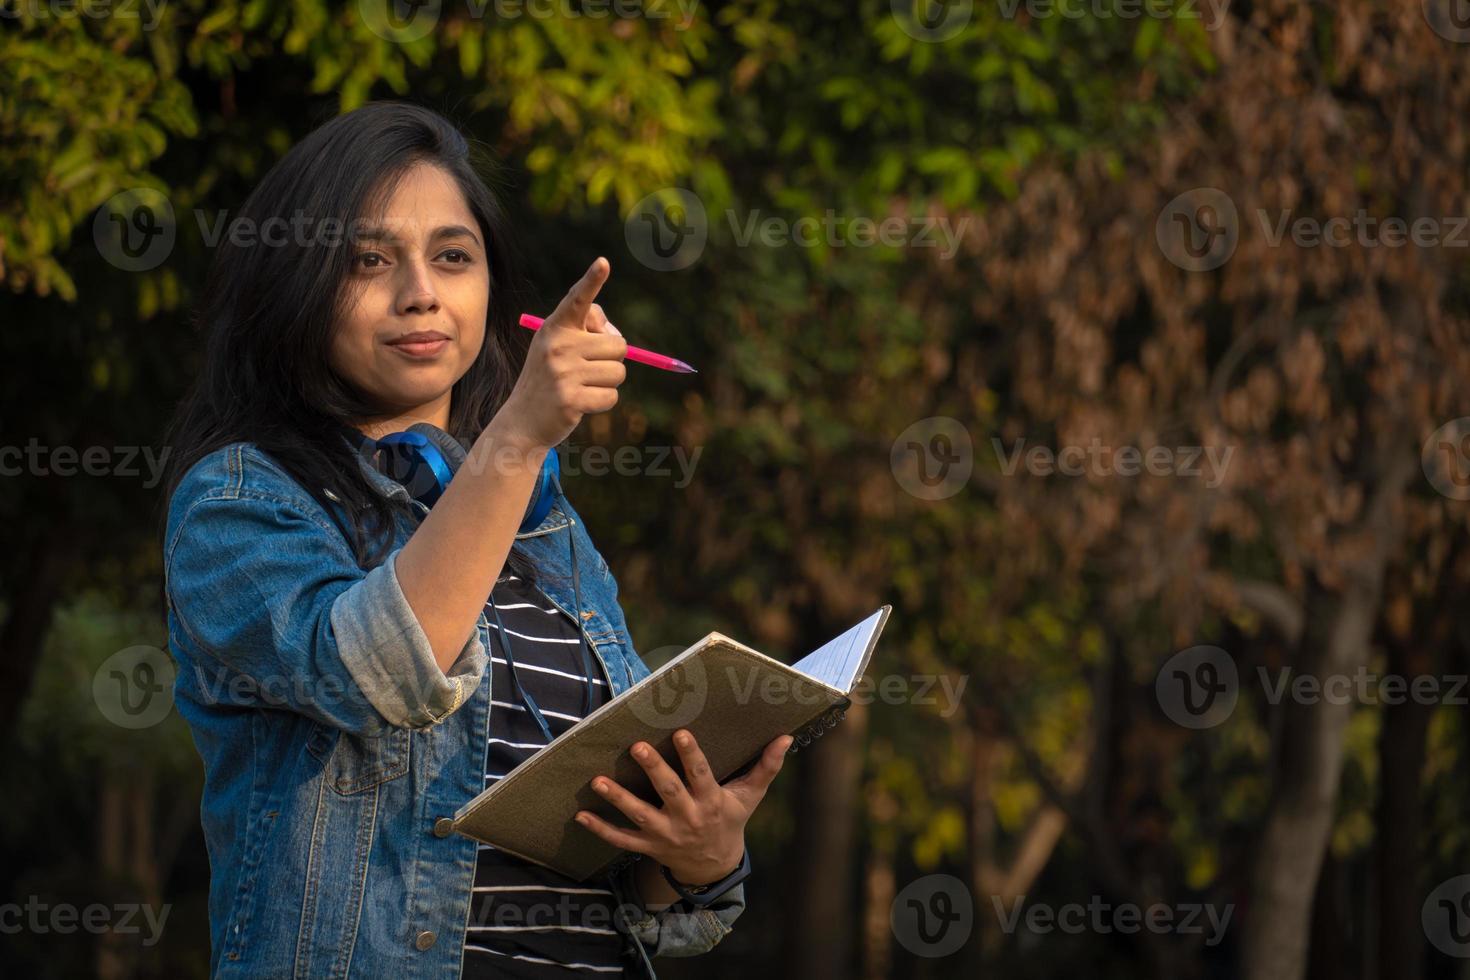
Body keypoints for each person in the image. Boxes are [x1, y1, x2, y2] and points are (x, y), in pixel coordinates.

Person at [158, 101, 791, 978]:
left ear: (489, 290)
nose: (420, 290)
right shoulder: (243, 500)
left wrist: (699, 855)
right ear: (295, 285)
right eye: (368, 261)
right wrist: (520, 437)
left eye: (452, 257)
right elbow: (377, 672)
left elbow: (630, 885)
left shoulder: (548, 527)